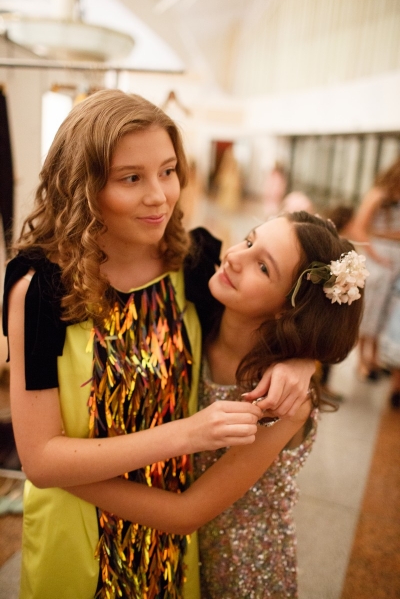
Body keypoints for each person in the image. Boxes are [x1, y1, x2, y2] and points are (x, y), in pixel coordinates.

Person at [3, 90, 314, 599]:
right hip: (78, 539)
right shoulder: (42, 288)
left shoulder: (193, 261)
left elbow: (280, 312)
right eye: (131, 178)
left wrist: (304, 360)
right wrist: (188, 434)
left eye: (168, 171)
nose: (159, 196)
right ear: (84, 186)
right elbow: (39, 459)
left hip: (168, 546)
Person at [66, 211, 367, 599]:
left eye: (262, 266)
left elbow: (186, 514)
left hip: (242, 570)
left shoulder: (281, 400)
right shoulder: (196, 321)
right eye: (249, 240)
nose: (235, 257)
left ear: (287, 309)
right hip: (170, 558)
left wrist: (64, 473)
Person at [347, 159, 400, 406]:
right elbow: (358, 228)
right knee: (370, 309)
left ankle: (376, 357)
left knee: (387, 312)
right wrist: (377, 255)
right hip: (380, 259)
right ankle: (361, 360)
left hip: (396, 262)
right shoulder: (378, 194)